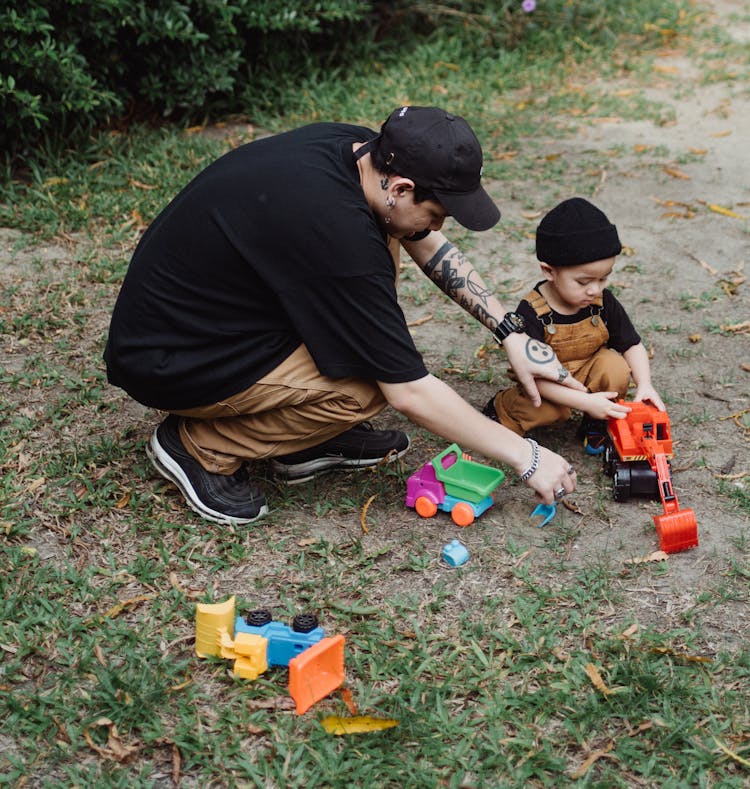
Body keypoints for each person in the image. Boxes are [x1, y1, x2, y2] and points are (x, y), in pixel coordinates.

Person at [104, 105, 586, 525]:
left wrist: (509, 332)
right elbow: (410, 392)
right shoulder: (341, 236)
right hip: (171, 358)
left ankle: (300, 439)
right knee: (366, 385)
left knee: (392, 234)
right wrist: (526, 455)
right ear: (401, 186)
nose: (439, 227)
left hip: (216, 314)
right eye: (439, 213)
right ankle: (201, 445)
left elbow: (420, 237)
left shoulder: (360, 152)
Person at [483, 197, 664, 453]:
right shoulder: (531, 312)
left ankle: (595, 423)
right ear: (549, 271)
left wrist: (644, 383)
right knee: (550, 409)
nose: (595, 289)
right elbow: (536, 378)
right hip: (546, 382)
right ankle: (504, 412)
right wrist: (583, 400)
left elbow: (631, 344)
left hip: (586, 368)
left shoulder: (602, 302)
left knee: (615, 368)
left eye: (604, 278)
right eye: (583, 281)